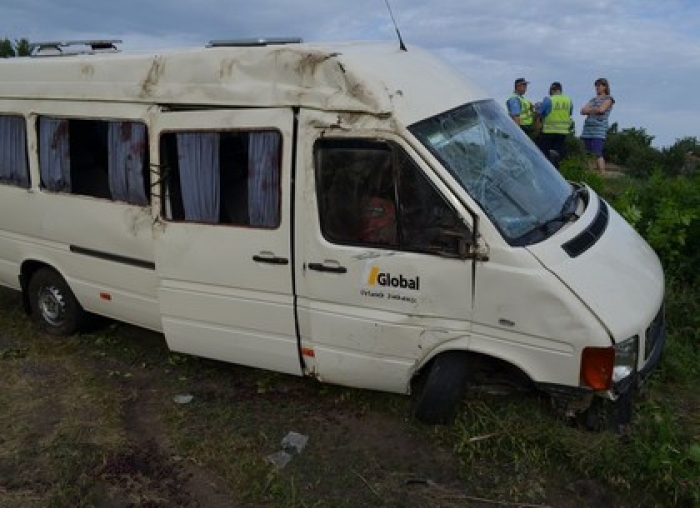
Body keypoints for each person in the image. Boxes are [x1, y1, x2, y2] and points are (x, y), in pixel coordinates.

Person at [580, 78, 615, 172]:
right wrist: (595, 110)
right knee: (587, 154)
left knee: (597, 153)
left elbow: (601, 110)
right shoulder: (593, 99)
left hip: (599, 130)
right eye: (596, 85)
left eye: (599, 85)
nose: (597, 88)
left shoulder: (609, 99)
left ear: (605, 87)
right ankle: (590, 175)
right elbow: (582, 111)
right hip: (587, 129)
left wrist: (590, 110)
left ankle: (602, 175)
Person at [536, 82, 573, 169]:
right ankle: (556, 173)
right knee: (557, 155)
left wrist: (538, 130)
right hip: (563, 132)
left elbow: (539, 114)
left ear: (552, 90)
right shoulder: (569, 101)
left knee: (545, 155)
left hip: (549, 131)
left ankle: (547, 172)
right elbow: (569, 113)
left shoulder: (549, 100)